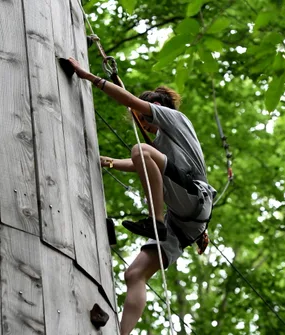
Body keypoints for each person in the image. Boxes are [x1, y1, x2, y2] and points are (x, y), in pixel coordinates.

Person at [68, 58, 216, 335]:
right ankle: (122, 334)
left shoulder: (176, 119)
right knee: (134, 274)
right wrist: (109, 161)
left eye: (146, 120)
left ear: (156, 109)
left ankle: (155, 221)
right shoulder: (159, 143)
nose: (146, 126)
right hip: (182, 221)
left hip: (191, 197)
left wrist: (89, 77)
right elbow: (142, 162)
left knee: (140, 150)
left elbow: (134, 120)